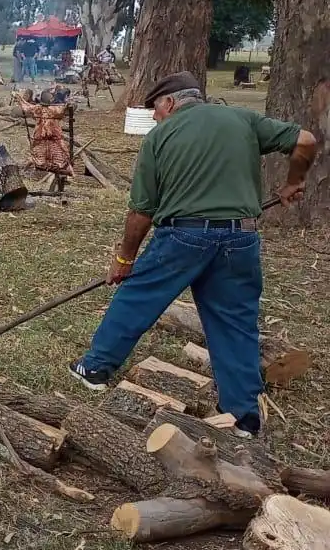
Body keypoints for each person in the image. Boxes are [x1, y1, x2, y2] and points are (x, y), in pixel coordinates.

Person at [69, 72, 318, 440]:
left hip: (183, 237)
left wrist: (124, 261)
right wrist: (294, 182)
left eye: (155, 108)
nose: (154, 117)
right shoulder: (242, 119)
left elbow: (141, 213)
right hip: (241, 237)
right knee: (235, 322)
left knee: (137, 298)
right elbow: (306, 140)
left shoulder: (160, 137)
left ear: (169, 103)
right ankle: (242, 416)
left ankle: (95, 368)